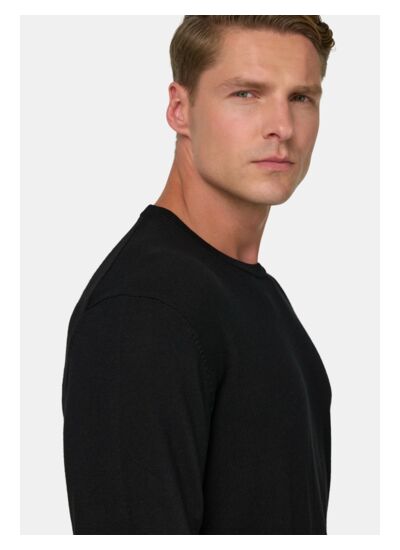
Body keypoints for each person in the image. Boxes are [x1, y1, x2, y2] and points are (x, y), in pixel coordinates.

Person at [61, 15, 335, 534]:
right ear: (180, 109)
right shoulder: (144, 308)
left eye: (301, 97)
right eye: (246, 94)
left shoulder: (248, 290)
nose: (282, 126)